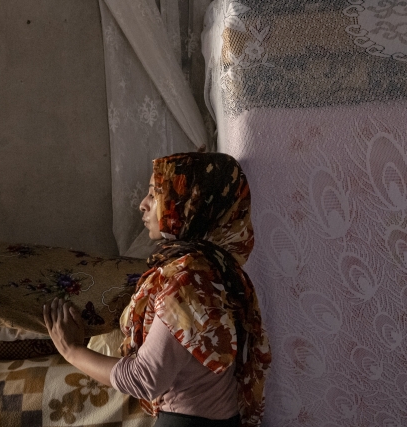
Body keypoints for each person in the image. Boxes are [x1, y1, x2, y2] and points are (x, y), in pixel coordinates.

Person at [43, 152, 270, 427]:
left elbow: (145, 378)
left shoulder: (189, 280)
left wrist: (71, 351)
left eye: (155, 194)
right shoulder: (219, 268)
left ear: (191, 204)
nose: (143, 205)